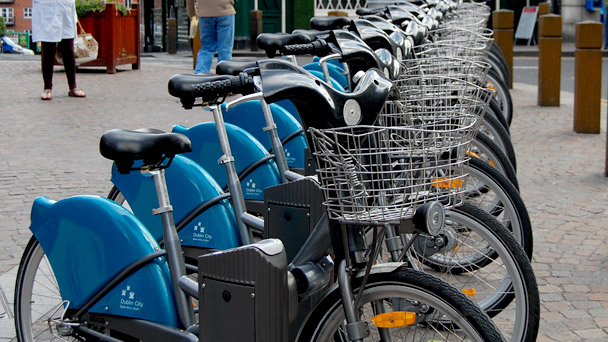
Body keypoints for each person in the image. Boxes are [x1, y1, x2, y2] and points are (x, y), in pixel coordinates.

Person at [32, 0, 85, 100]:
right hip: (47, 8)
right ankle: (47, 88)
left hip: (65, 7)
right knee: (48, 50)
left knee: (68, 50)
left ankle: (73, 87)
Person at [187, 0, 235, 74]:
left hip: (204, 13)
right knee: (225, 49)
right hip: (225, 11)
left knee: (207, 48)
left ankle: (200, 74)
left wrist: (192, 13)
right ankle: (225, 76)